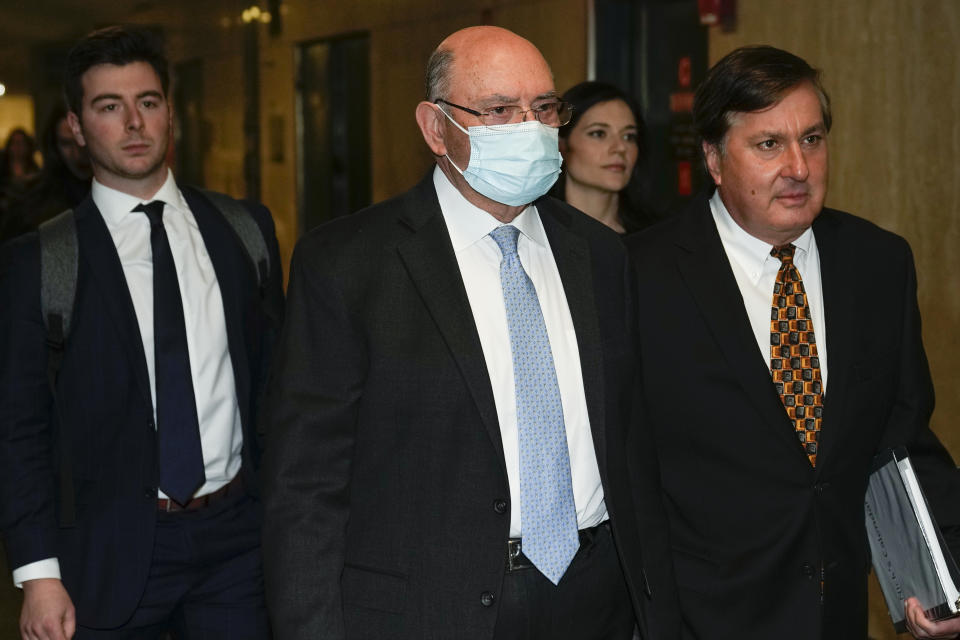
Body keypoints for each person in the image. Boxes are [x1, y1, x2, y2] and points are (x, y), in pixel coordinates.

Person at [262, 25, 676, 640]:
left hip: (598, 596)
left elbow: (634, 440)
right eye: (499, 111)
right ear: (435, 128)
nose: (529, 130)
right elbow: (306, 485)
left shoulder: (599, 255)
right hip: (431, 605)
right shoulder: (349, 264)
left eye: (543, 110)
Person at [625, 44, 960, 640]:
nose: (799, 168)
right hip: (697, 621)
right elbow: (626, 470)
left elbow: (902, 439)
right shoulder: (639, 276)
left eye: (811, 139)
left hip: (837, 617)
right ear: (713, 157)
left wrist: (939, 578)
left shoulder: (878, 263)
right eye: (768, 145)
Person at [0, 25, 282, 639]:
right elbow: (18, 429)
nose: (133, 123)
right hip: (106, 552)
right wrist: (38, 574)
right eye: (109, 106)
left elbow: (274, 388)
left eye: (147, 103)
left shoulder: (244, 234)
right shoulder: (40, 263)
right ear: (75, 126)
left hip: (236, 543)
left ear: (170, 114)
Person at [552, 81, 654, 234]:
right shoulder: (537, 234)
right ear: (562, 145)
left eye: (628, 136)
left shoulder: (657, 237)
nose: (619, 148)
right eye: (598, 133)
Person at [0, 105, 92, 244]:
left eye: (83, 139)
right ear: (54, 146)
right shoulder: (31, 206)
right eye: (66, 143)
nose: (77, 153)